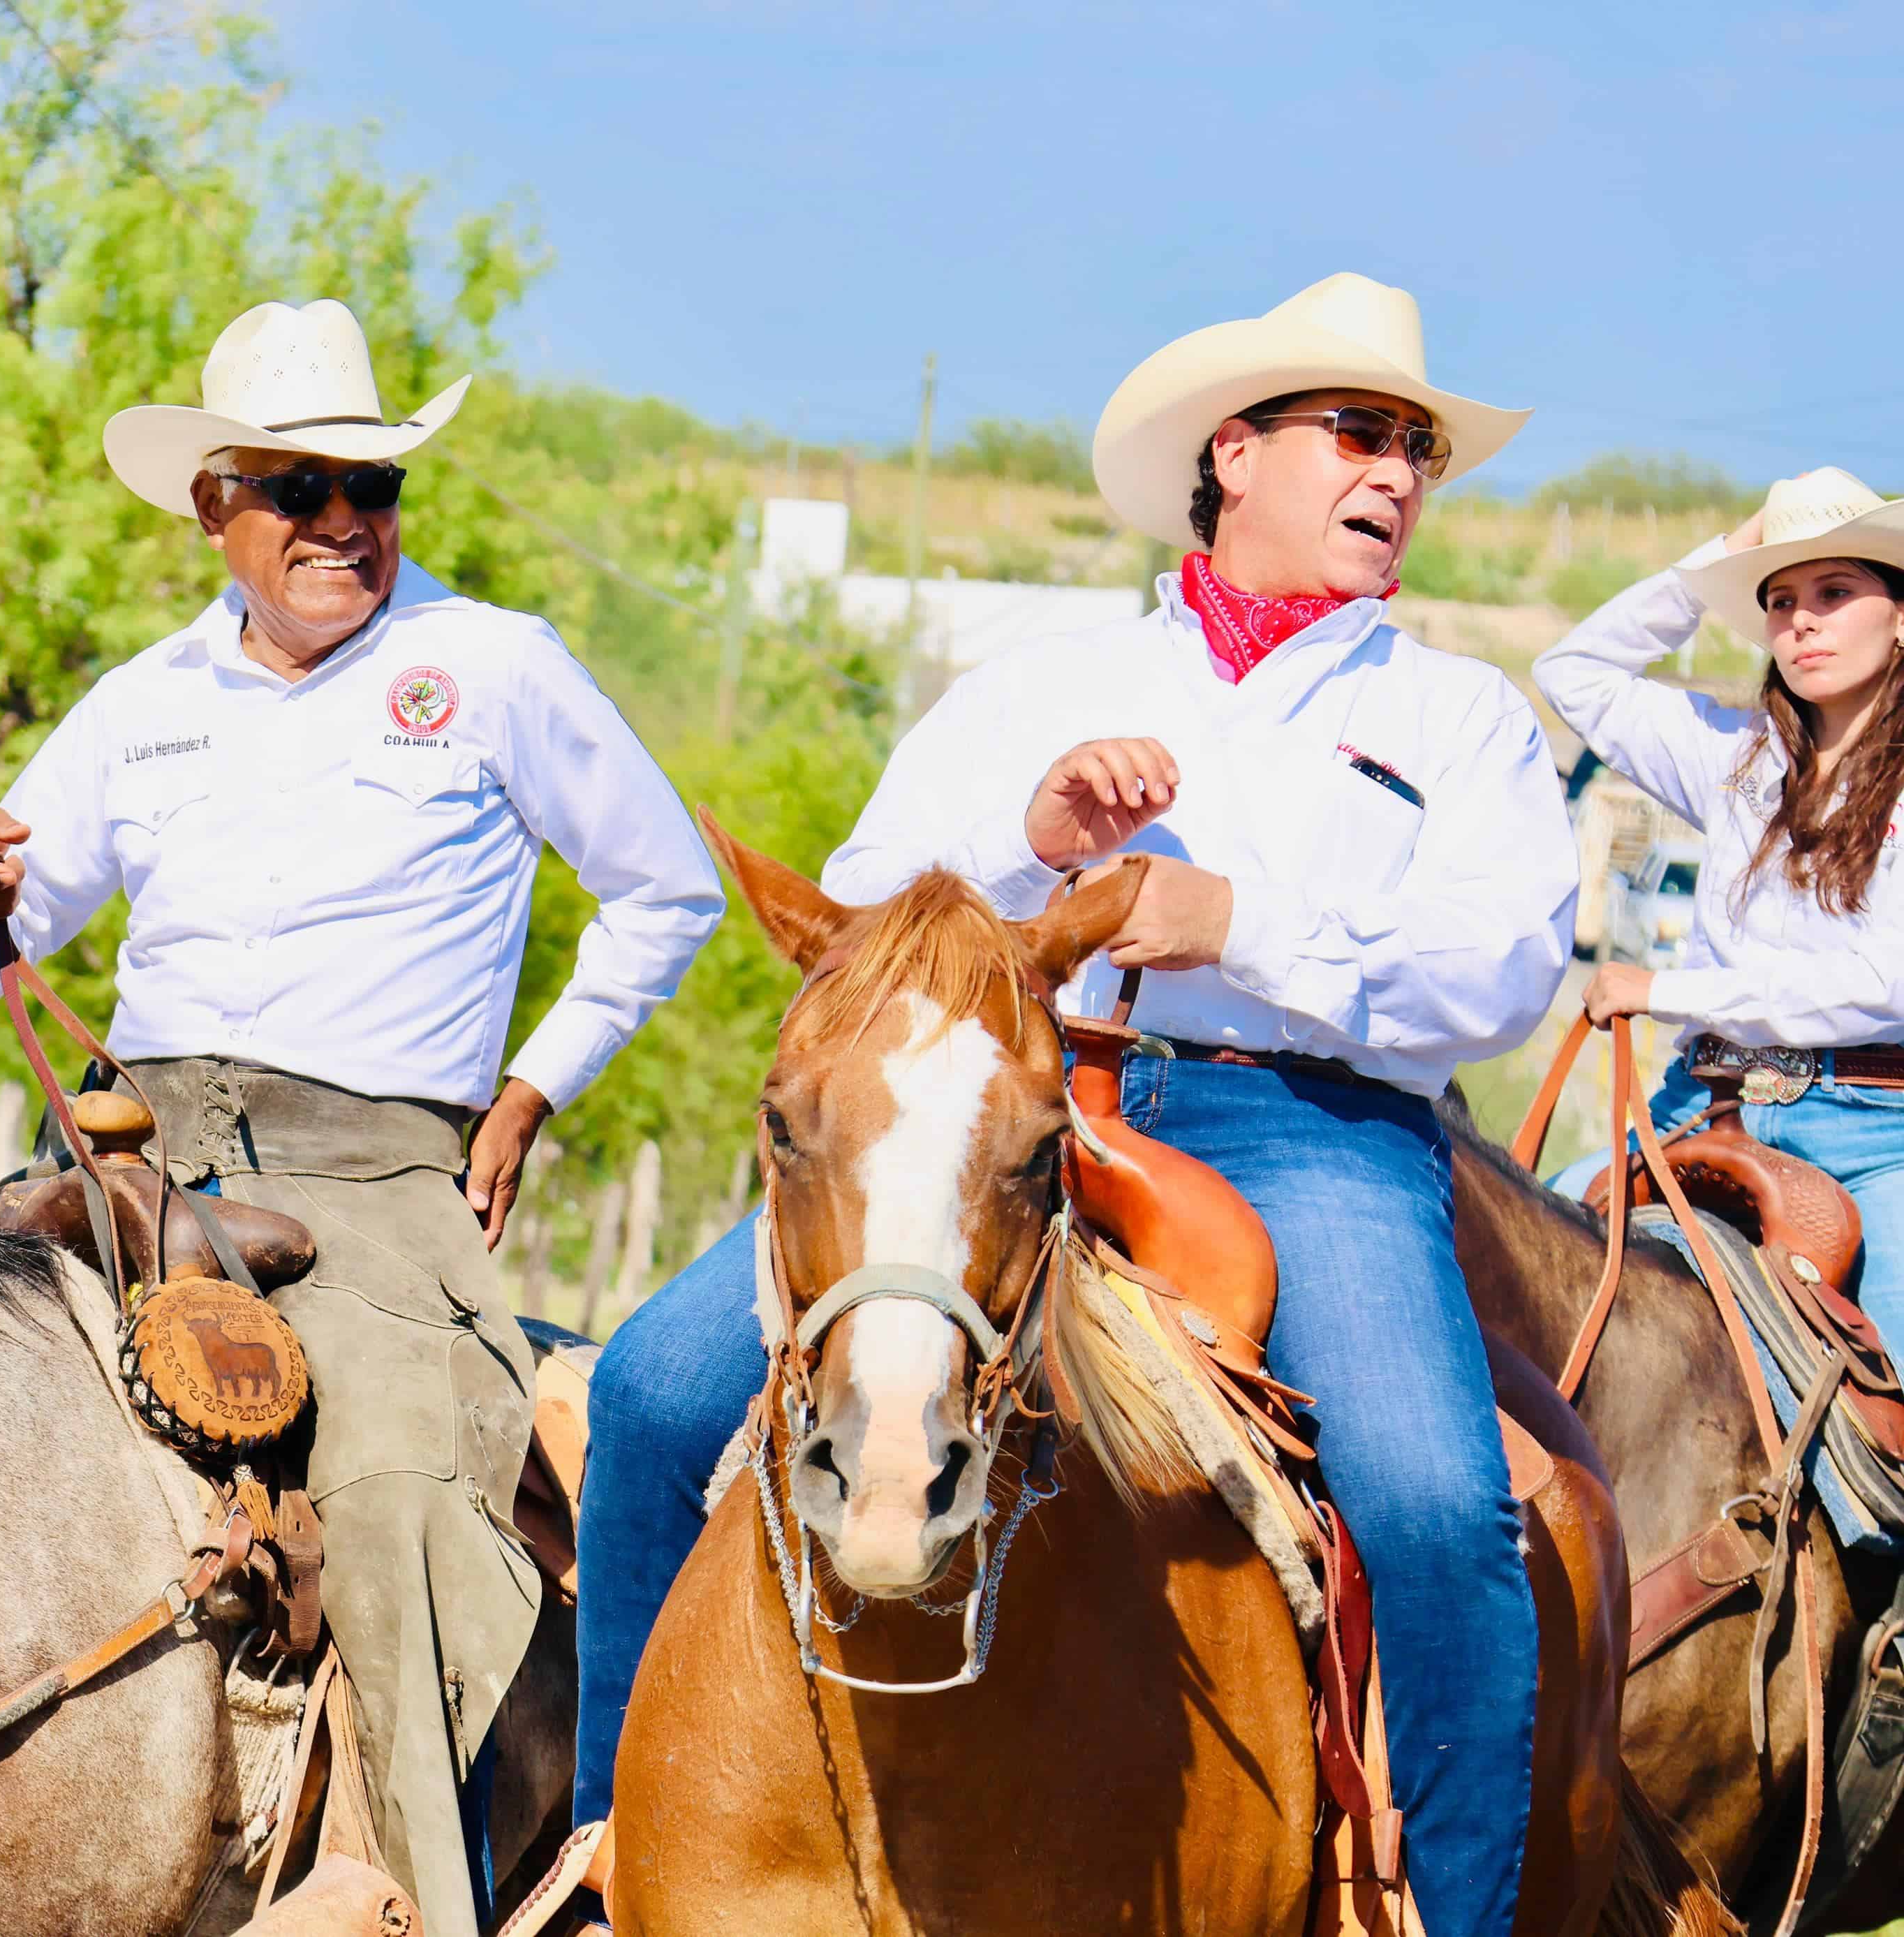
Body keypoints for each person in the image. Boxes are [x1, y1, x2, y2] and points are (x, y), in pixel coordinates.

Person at [573, 274, 1575, 1937]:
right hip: (1002, 1120)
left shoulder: (1456, 717)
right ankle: (611, 1845)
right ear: (1233, 455)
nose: (1397, 470)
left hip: (1310, 1129)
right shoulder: (1042, 681)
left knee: (1430, 1498)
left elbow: (1504, 970)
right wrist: (1028, 836)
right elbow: (858, 911)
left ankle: (1461, 1915)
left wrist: (1241, 926)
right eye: (1360, 432)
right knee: (649, 1389)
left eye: (1417, 446)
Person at [0, 297, 721, 1933]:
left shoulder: (489, 666)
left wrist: (533, 1085)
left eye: (371, 489)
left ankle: (421, 1893)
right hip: (127, 1152)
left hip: (375, 1170)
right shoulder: (138, 701)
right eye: (296, 488)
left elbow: (666, 886)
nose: (342, 521)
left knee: (396, 1502)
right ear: (216, 507)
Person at [1537, 468, 1904, 1435]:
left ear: (1900, 616)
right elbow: (1573, 673)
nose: (1803, 623)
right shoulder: (1731, 754)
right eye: (1780, 601)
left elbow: (1884, 983)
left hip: (1874, 1131)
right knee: (1528, 1268)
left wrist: (1670, 987)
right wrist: (1718, 563)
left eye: (1834, 593)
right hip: (1704, 1109)